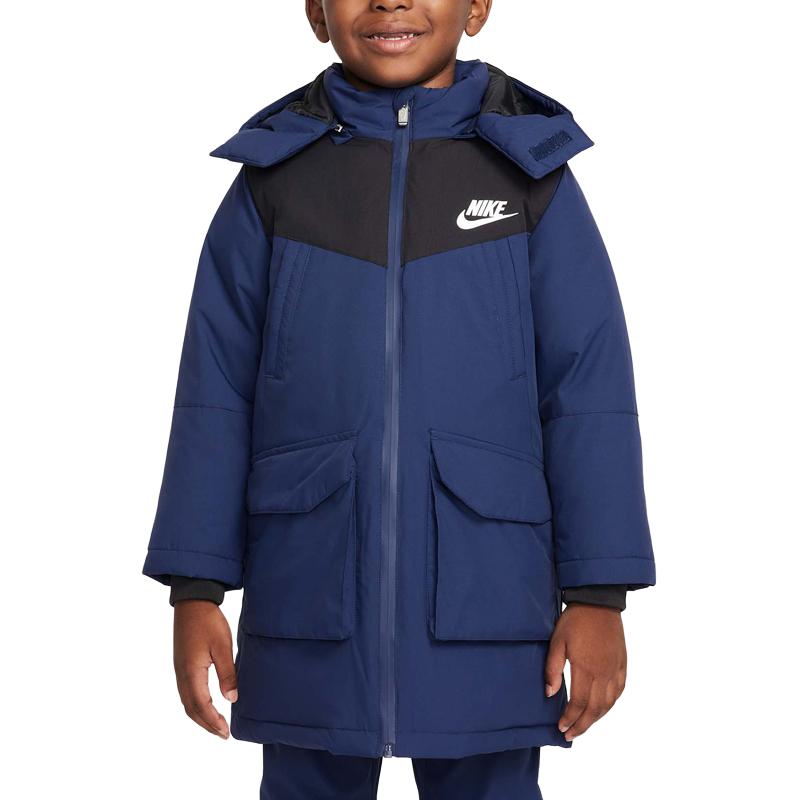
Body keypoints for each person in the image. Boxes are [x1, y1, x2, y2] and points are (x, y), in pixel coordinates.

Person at [143, 1, 656, 797]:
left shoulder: (532, 178)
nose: (390, 1)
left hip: (489, 603)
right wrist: (195, 586)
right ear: (315, 11)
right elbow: (215, 390)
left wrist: (598, 594)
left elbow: (587, 390)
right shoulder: (274, 181)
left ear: (477, 7)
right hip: (311, 597)